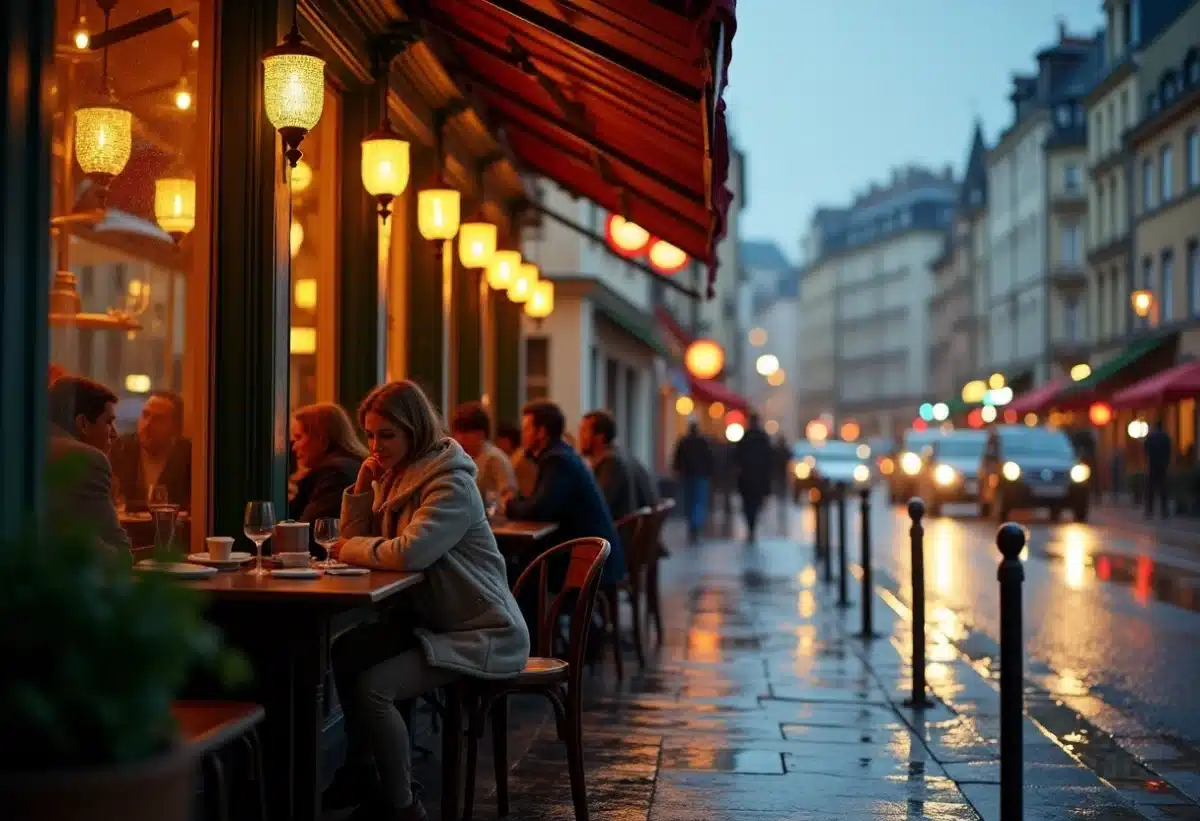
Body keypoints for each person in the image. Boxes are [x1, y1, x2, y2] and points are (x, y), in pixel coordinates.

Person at [324, 380, 529, 821]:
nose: (375, 447)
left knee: (375, 688)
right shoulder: (397, 475)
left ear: (415, 431)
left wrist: (348, 549)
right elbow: (358, 540)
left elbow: (408, 552)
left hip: (481, 631)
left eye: (387, 435)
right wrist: (361, 488)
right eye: (371, 435)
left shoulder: (449, 483)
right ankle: (363, 770)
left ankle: (403, 806)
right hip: (433, 621)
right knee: (346, 650)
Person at [505, 400, 625, 589]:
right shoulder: (560, 455)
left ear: (541, 432)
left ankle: (532, 619)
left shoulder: (558, 461)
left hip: (586, 562)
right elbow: (542, 503)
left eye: (527, 428)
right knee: (518, 564)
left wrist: (509, 504)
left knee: (510, 570)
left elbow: (540, 510)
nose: (523, 435)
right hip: (588, 554)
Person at [46, 376, 131, 554]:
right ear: (83, 423)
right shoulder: (90, 460)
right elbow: (121, 553)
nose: (114, 434)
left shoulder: (24, 449)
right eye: (108, 422)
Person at [288, 403, 367, 556]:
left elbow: (310, 536)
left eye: (298, 437)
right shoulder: (353, 465)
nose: (294, 447)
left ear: (320, 437)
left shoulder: (334, 472)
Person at [110, 391, 192, 510]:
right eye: (145, 415)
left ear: (175, 428)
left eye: (158, 419)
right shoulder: (119, 449)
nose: (147, 424)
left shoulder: (189, 456)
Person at [450, 401, 517, 502]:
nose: (459, 438)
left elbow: (508, 496)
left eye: (466, 433)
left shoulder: (495, 459)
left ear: (481, 434)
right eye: (457, 433)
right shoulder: (456, 458)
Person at [579, 409, 637, 522]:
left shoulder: (611, 463)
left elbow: (597, 505)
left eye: (584, 431)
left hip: (612, 535)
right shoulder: (618, 456)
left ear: (600, 437)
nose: (579, 437)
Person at [733, 414, 774, 543]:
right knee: (755, 503)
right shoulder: (762, 438)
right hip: (757, 477)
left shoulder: (745, 438)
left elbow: (736, 457)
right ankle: (752, 526)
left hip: (747, 477)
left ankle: (751, 526)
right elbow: (769, 459)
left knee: (748, 504)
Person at [671, 421, 714, 544]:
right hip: (700, 476)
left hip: (687, 476)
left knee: (690, 501)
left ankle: (692, 525)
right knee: (699, 501)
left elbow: (677, 459)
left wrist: (678, 471)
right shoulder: (703, 443)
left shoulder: (684, 442)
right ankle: (695, 525)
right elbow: (709, 459)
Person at [1144, 420, 1172, 519]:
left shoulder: (1151, 437)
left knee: (1151, 489)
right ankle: (1164, 511)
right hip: (1162, 466)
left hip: (1152, 465)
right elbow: (1169, 451)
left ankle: (1149, 511)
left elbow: (1146, 450)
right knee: (1163, 489)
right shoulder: (1165, 437)